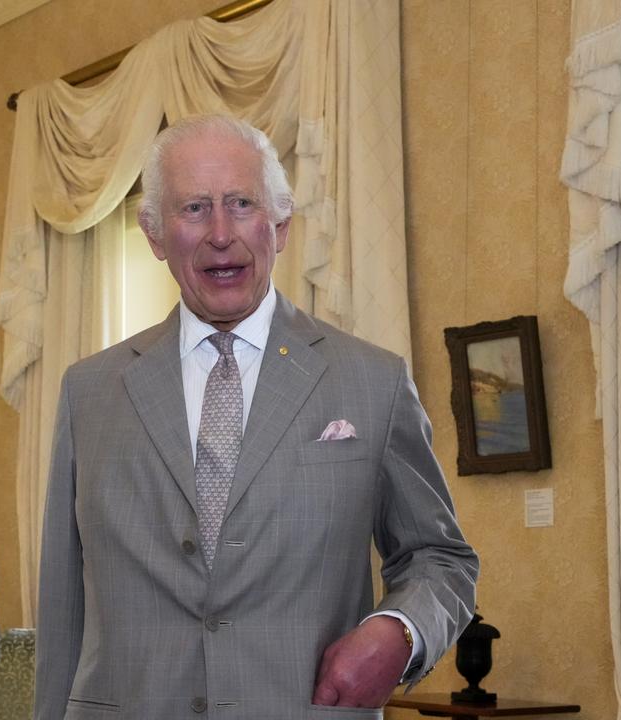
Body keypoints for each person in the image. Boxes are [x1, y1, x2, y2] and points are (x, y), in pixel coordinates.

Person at [34, 114, 479, 719]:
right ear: (154, 234)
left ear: (281, 225)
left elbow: (441, 557)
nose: (221, 233)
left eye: (242, 204)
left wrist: (400, 631)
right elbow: (62, 606)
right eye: (193, 208)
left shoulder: (372, 381)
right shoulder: (90, 391)